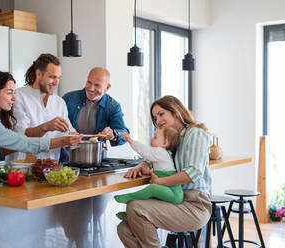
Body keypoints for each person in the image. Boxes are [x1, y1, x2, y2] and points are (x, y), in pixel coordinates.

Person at [0, 71, 82, 181]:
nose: (14, 99)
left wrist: (19, 144)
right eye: (9, 93)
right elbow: (23, 143)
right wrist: (62, 141)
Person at [117, 95, 212, 248]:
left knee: (135, 207)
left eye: (161, 114)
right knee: (124, 229)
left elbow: (192, 173)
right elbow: (154, 159)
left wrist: (159, 181)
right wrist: (141, 167)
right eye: (155, 118)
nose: (158, 120)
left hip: (195, 205)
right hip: (174, 200)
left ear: (175, 112)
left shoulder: (195, 134)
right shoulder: (171, 140)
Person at [7, 53, 74, 162]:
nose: (56, 82)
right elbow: (21, 136)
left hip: (51, 171)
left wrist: (77, 138)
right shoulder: (18, 96)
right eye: (52, 77)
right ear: (38, 74)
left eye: (58, 77)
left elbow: (67, 134)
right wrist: (46, 127)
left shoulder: (60, 102)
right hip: (22, 170)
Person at [114, 127, 183, 221]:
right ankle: (131, 215)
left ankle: (129, 197)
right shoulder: (163, 154)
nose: (151, 139)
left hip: (174, 193)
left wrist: (130, 140)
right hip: (169, 191)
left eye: (155, 137)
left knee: (152, 189)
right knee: (149, 200)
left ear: (165, 143)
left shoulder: (161, 152)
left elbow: (145, 151)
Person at [62, 67, 129, 146]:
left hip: (95, 155)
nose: (91, 88)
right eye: (89, 82)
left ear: (107, 87)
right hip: (67, 155)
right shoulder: (68, 99)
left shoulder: (113, 106)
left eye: (97, 85)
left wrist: (114, 134)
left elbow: (124, 134)